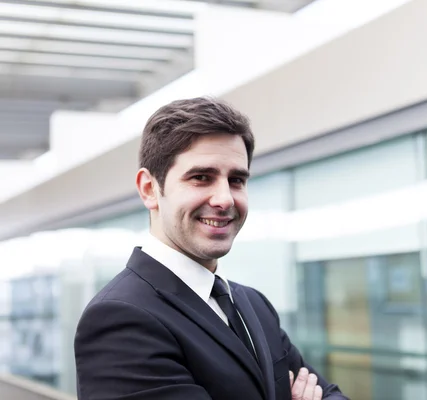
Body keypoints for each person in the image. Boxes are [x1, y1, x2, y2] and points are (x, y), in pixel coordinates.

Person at [74, 97, 349, 400]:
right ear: (150, 189)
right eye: (201, 177)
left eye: (236, 180)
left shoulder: (253, 304)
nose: (225, 199)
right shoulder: (121, 318)